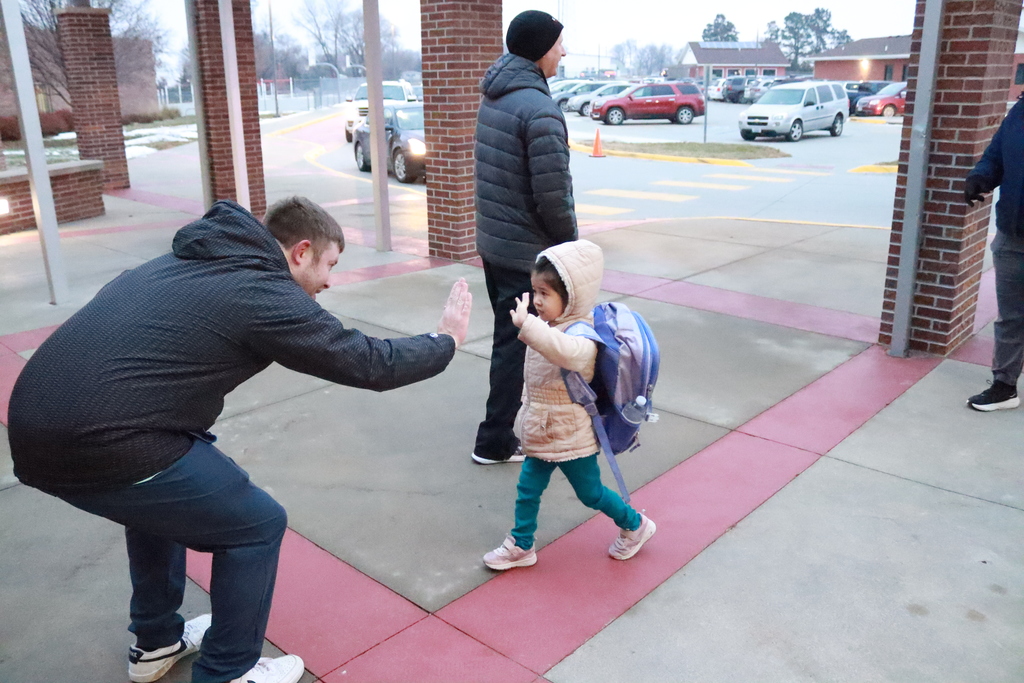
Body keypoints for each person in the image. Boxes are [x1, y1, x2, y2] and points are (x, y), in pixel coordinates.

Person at [7, 197, 472, 683]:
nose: (330, 281)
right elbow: (367, 362)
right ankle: (228, 671)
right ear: (301, 252)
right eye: (330, 265)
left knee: (154, 511)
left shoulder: (189, 261)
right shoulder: (262, 290)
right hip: (105, 437)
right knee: (256, 525)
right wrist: (445, 341)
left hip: (38, 422)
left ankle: (156, 642)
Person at [482, 240, 656, 570]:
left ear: (571, 297)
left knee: (591, 493)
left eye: (545, 293)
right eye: (535, 291)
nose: (537, 300)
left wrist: (528, 325)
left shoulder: (582, 335)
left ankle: (635, 525)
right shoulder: (550, 326)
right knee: (528, 487)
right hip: (545, 428)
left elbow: (566, 352)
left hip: (570, 434)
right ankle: (521, 544)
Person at [472, 9, 578, 465]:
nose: (563, 52)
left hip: (495, 246)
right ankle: (494, 441)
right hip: (524, 255)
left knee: (510, 341)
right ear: (539, 51)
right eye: (558, 44)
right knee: (517, 348)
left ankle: (509, 429)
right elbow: (553, 196)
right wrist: (571, 246)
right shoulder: (539, 109)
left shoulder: (496, 95)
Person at [964, 95, 1024, 411]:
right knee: (1011, 318)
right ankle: (1004, 386)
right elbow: (996, 156)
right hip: (1013, 234)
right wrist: (980, 176)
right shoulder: (1019, 112)